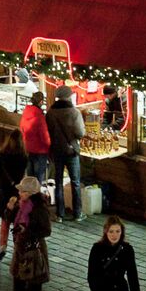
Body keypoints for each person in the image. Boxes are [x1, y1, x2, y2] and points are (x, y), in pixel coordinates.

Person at [9, 173, 53, 291]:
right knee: (18, 286)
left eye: (23, 191)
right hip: (21, 250)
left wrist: (27, 231)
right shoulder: (21, 205)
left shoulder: (39, 209)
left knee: (33, 290)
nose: (20, 193)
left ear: (31, 193)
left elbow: (46, 230)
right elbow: (10, 221)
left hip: (34, 251)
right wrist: (10, 209)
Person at [48, 85, 86, 220]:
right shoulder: (74, 112)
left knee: (58, 182)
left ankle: (60, 214)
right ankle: (77, 213)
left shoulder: (50, 112)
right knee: (75, 182)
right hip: (71, 151)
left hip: (56, 150)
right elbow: (81, 133)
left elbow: (49, 131)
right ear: (69, 96)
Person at [0, 128, 27, 262]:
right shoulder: (23, 156)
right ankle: (17, 248)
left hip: (4, 191)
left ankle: (2, 246)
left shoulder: (2, 154)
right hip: (18, 192)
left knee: (5, 220)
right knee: (17, 221)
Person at [19, 92, 52, 183]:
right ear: (41, 102)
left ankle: (29, 195)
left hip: (28, 148)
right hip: (40, 151)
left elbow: (21, 129)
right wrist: (50, 146)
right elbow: (44, 135)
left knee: (30, 177)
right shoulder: (39, 116)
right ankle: (36, 196)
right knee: (38, 178)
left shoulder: (25, 113)